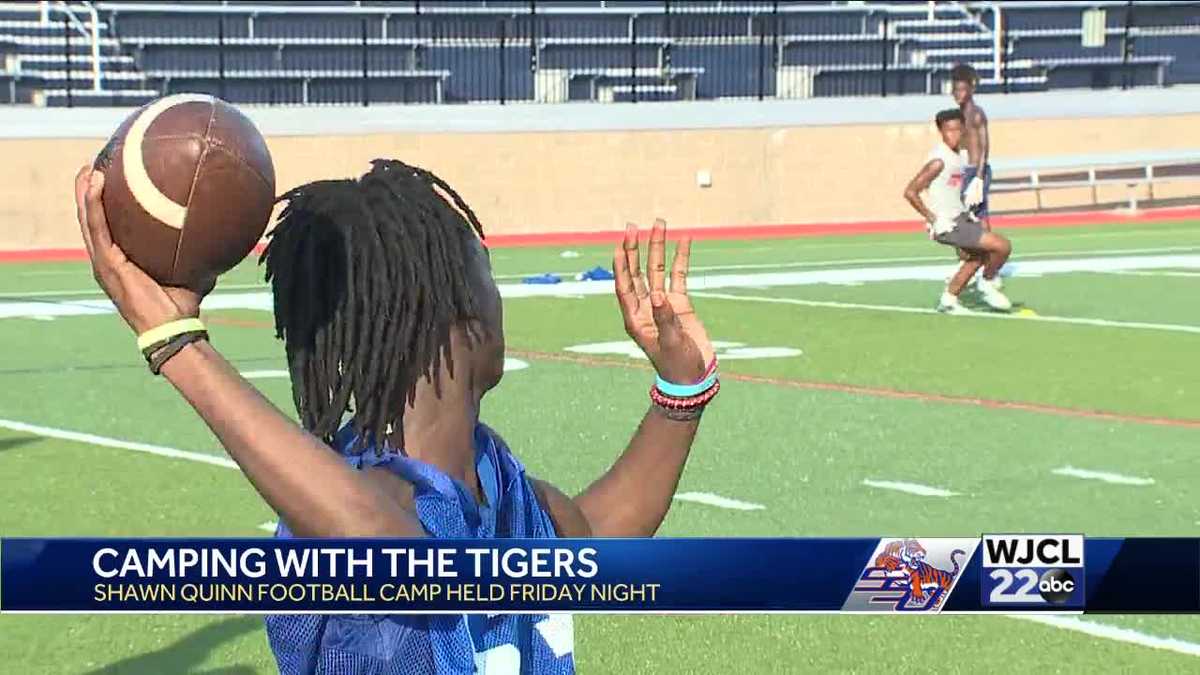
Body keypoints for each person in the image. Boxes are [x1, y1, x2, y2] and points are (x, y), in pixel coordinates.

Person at [73, 158, 719, 674]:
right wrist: (179, 343)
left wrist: (681, 388)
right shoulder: (358, 492)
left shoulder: (499, 485)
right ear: (457, 306)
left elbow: (604, 535)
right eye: (488, 275)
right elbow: (387, 545)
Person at [904, 110, 1013, 313]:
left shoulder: (960, 156)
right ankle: (987, 283)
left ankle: (948, 300)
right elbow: (910, 192)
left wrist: (968, 202)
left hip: (960, 217)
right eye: (948, 130)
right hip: (947, 223)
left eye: (957, 129)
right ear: (940, 131)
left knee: (976, 258)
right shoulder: (939, 160)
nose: (953, 134)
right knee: (1002, 246)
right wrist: (933, 219)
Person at [949, 63, 1004, 290]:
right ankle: (970, 262)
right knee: (960, 219)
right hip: (964, 171)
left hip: (976, 172)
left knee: (980, 219)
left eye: (961, 90)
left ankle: (989, 265)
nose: (957, 94)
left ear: (971, 89)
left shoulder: (977, 114)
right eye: (954, 90)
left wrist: (979, 178)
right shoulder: (957, 116)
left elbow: (984, 147)